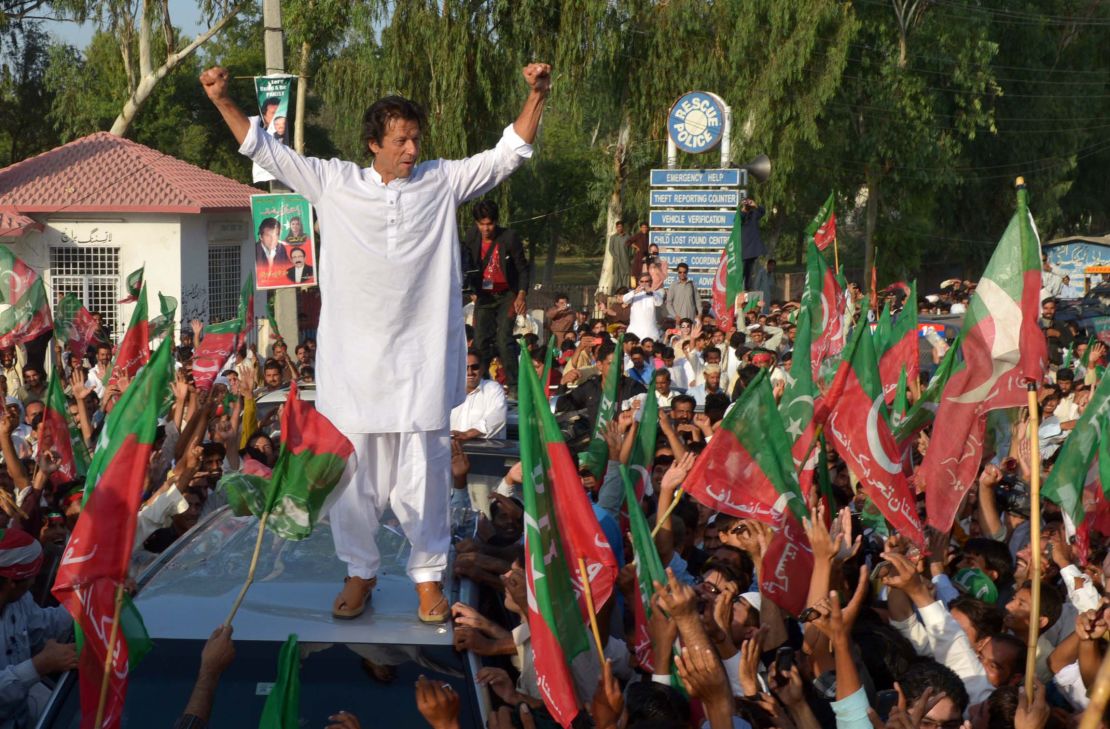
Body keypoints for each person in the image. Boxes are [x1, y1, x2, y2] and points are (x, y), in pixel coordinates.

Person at [201, 60, 551, 623]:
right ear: (373, 144)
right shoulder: (335, 182)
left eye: (416, 138)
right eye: (400, 140)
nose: (411, 149)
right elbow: (266, 150)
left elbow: (508, 152)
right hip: (353, 372)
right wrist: (221, 100)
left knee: (426, 484)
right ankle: (360, 573)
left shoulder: (442, 181)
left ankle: (428, 581)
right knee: (353, 487)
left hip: (421, 368)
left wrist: (537, 94)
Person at [0, 528, 76, 727]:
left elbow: (45, 627)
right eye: (30, 576)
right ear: (10, 582)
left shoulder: (19, 600)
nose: (34, 581)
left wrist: (83, 597)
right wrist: (39, 666)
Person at [463, 199, 529, 389]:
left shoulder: (509, 237)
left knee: (503, 340)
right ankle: (481, 386)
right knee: (480, 341)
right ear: (476, 224)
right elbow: (466, 265)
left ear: (496, 222)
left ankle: (515, 388)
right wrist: (472, 290)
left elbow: (523, 269)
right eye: (481, 224)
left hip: (507, 294)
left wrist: (521, 295)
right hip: (484, 295)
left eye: (490, 223)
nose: (486, 228)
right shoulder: (471, 236)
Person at [450, 351, 507, 441]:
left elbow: (498, 417)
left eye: (475, 367)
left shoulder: (493, 389)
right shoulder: (449, 393)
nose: (470, 372)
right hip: (453, 452)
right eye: (465, 367)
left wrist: (467, 434)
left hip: (483, 452)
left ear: (482, 369)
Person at [623, 273, 664, 342]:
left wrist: (651, 292)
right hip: (635, 331)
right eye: (642, 281)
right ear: (639, 282)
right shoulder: (633, 293)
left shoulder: (656, 293)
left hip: (650, 331)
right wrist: (635, 292)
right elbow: (625, 300)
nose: (644, 283)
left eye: (646, 281)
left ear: (651, 282)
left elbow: (659, 303)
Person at [739, 197, 766, 290]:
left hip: (752, 249)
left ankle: (747, 288)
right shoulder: (741, 214)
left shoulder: (754, 214)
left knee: (749, 271)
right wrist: (743, 209)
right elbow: (738, 220)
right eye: (746, 202)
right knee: (742, 270)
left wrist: (755, 205)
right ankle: (740, 288)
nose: (747, 204)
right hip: (743, 248)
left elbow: (762, 212)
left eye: (748, 202)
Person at [606, 221, 631, 291]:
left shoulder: (627, 237)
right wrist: (615, 257)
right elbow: (610, 249)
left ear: (623, 227)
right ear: (616, 228)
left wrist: (629, 258)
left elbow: (631, 249)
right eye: (618, 227)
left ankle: (626, 291)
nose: (619, 228)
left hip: (625, 260)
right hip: (617, 261)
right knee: (617, 276)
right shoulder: (613, 237)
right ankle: (618, 292)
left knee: (625, 275)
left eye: (621, 227)